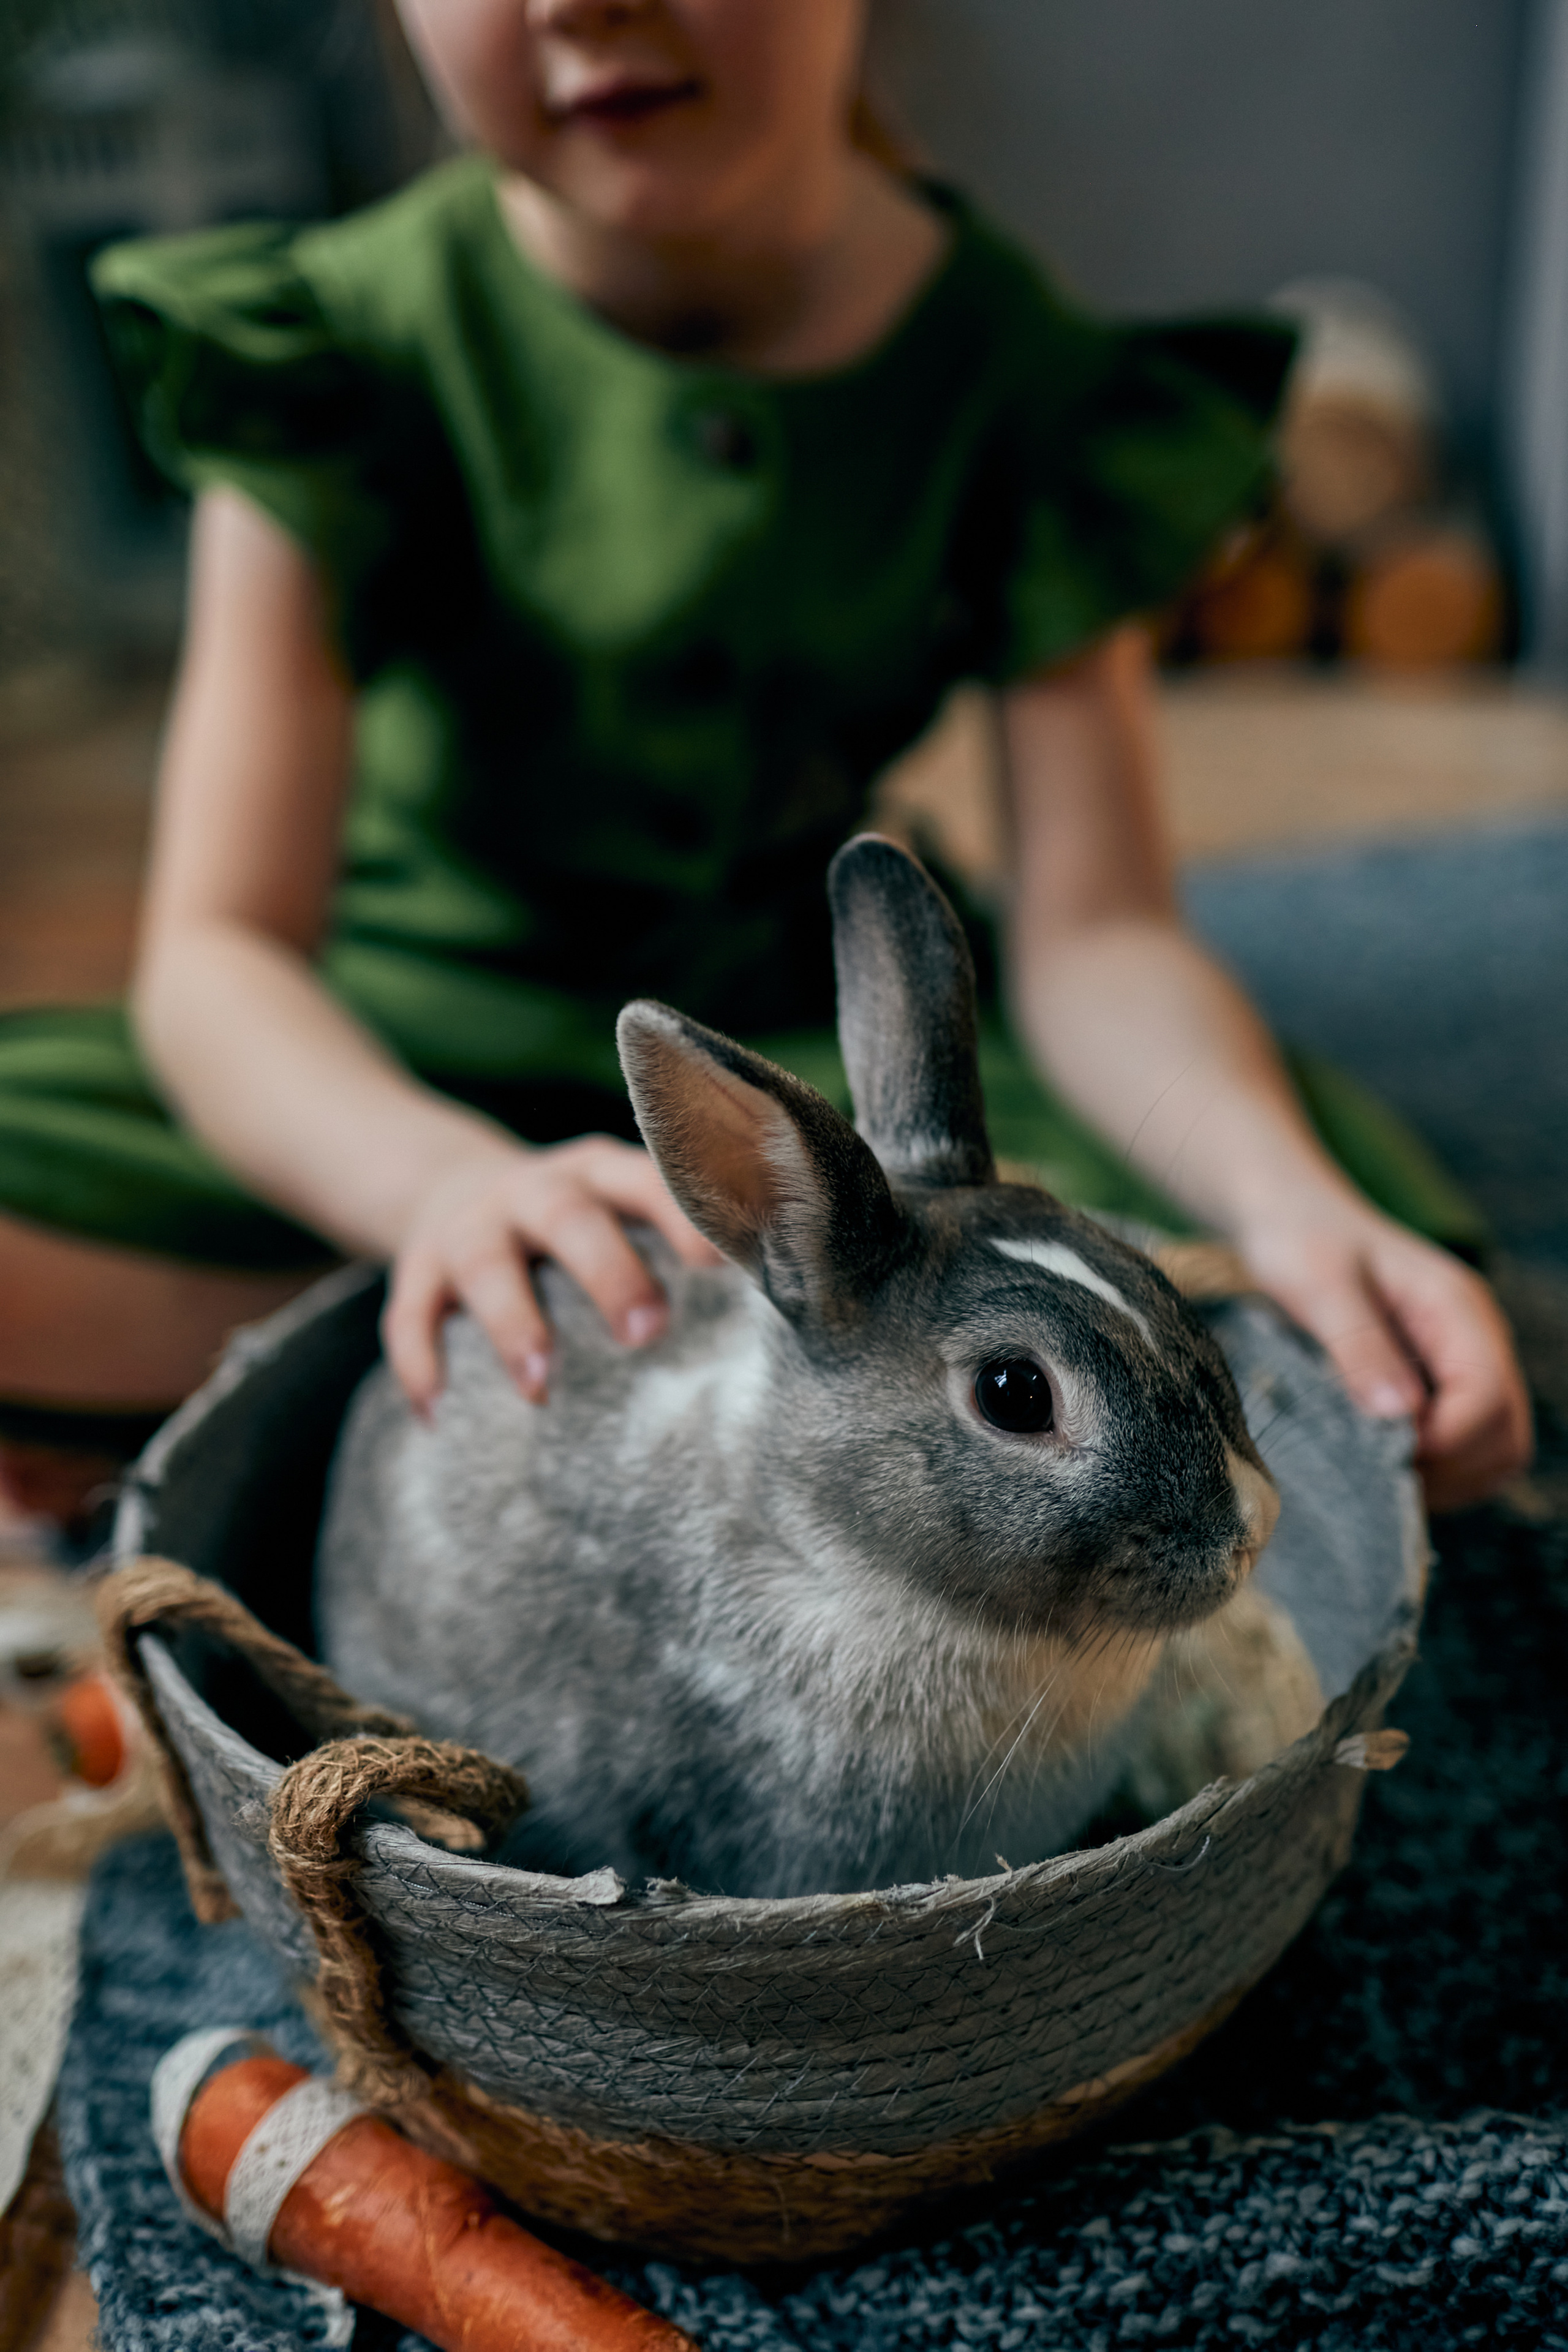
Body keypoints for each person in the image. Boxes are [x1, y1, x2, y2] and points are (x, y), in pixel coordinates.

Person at [0, 0, 1529, 1536]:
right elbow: (217, 962)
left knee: (1335, 1300)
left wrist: (1283, 1201)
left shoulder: (1011, 368)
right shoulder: (321, 341)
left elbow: (1100, 931)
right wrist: (434, 1192)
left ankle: (451, 1373)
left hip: (817, 1083)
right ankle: (490, 1314)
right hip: (382, 1052)